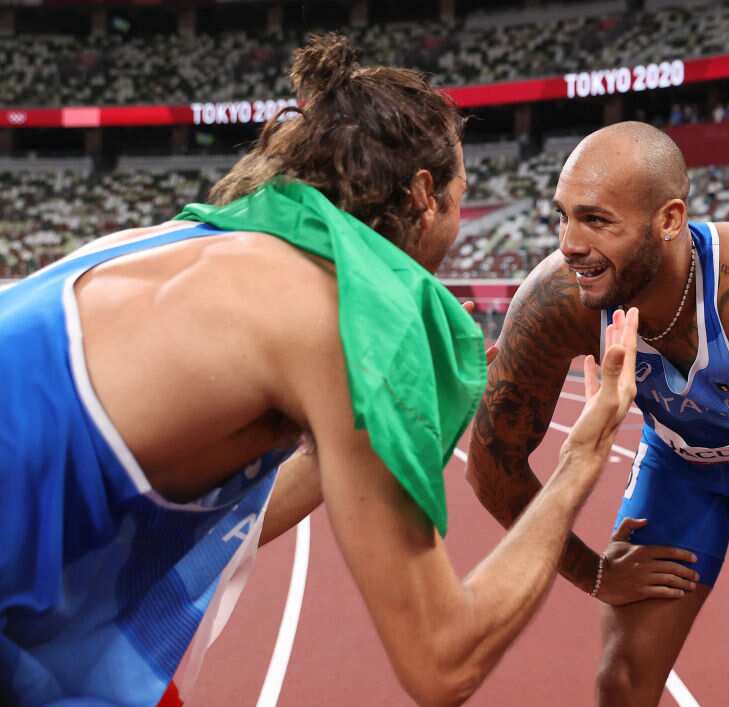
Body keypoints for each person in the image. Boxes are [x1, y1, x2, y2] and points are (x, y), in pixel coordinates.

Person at [0, 34, 641, 707]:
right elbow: (441, 660)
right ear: (424, 193)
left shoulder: (203, 240)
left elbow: (222, 511)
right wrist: (585, 451)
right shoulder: (351, 313)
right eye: (460, 194)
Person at [466, 122, 729, 707]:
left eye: (595, 220)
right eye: (562, 215)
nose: (568, 242)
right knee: (620, 683)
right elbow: (492, 469)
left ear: (669, 220)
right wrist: (592, 571)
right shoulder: (558, 299)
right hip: (677, 461)